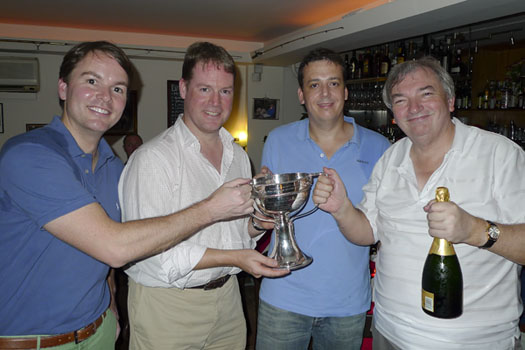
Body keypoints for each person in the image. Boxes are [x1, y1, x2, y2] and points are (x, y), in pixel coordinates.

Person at [0, 40, 280, 350]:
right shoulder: (30, 156)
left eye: (118, 88)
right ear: (63, 87)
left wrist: (257, 222)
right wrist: (214, 213)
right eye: (92, 81)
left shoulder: (111, 165)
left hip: (106, 327)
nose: (105, 96)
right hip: (33, 339)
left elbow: (106, 250)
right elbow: (118, 247)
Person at [313, 56, 525, 349]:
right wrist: (342, 208)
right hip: (389, 331)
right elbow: (368, 232)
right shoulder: (391, 158)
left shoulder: (500, 155)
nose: (414, 108)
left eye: (426, 94)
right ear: (394, 114)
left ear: (450, 101)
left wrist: (475, 230)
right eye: (401, 100)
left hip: (471, 341)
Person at [118, 41, 287, 350]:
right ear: (183, 88)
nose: (215, 101)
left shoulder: (237, 156)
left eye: (225, 91)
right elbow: (156, 255)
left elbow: (236, 233)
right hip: (168, 306)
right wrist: (238, 258)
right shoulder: (152, 159)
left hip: (229, 300)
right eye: (205, 89)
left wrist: (258, 223)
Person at [255, 48, 391, 350]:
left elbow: (381, 226)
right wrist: (260, 208)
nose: (325, 93)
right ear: (302, 95)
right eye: (314, 84)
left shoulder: (380, 147)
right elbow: (268, 217)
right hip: (283, 296)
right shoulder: (278, 139)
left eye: (333, 83)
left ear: (345, 91)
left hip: (347, 303)